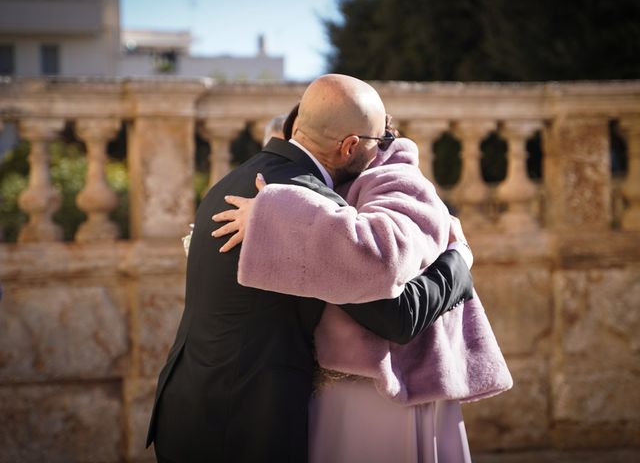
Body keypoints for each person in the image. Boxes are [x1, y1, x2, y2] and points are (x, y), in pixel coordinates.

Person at [146, 74, 475, 463]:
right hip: (243, 423)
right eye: (379, 143)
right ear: (350, 145)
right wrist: (458, 259)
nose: (381, 154)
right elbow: (395, 316)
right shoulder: (304, 206)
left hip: (189, 402)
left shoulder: (235, 180)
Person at [212, 115, 512, 462]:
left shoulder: (395, 181)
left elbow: (392, 304)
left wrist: (277, 215)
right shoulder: (331, 190)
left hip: (383, 391)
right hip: (338, 386)